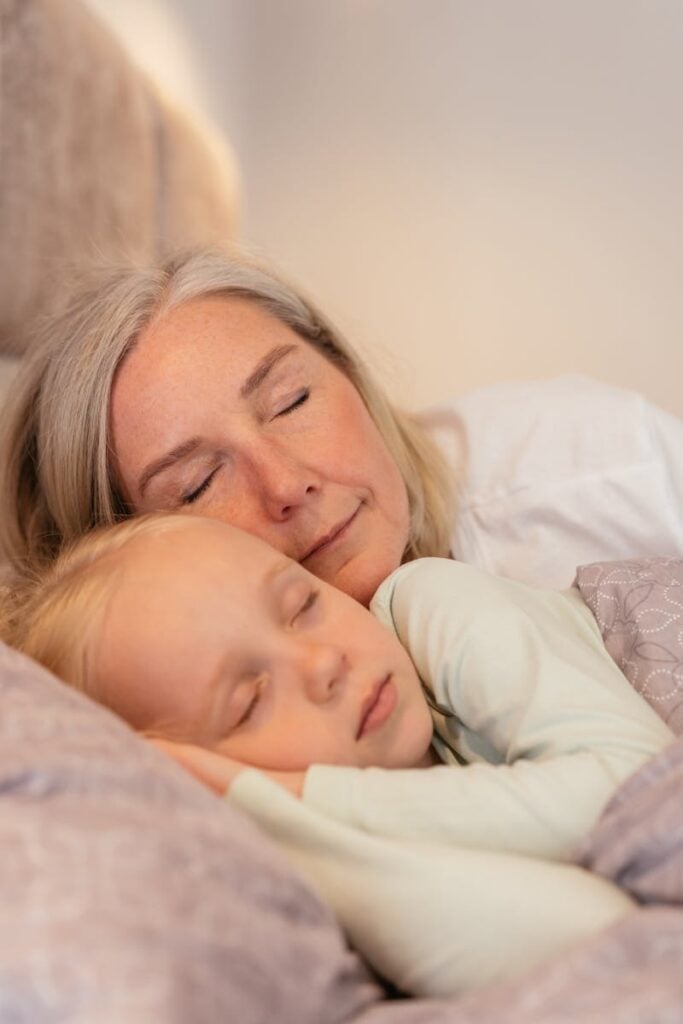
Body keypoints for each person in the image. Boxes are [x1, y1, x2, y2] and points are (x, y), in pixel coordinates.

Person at [3, 512, 672, 996]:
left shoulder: (432, 603)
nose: (322, 661)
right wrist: (266, 815)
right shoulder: (305, 888)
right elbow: (593, 940)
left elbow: (626, 789)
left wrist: (302, 796)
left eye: (301, 606)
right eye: (249, 700)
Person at [1, 248, 682, 602]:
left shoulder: (602, 470)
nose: (285, 485)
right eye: (197, 483)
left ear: (348, 372)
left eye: (291, 402)